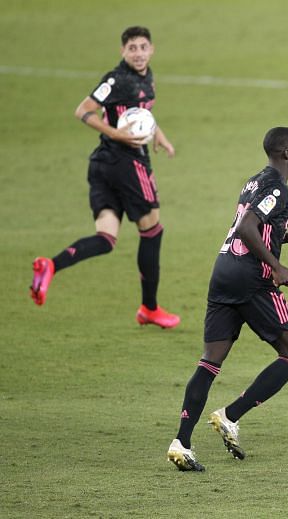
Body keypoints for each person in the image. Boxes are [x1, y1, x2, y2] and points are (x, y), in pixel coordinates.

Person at [167, 127, 288, 471]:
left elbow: (251, 227)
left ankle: (182, 442)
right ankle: (230, 415)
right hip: (252, 280)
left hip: (223, 272)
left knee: (209, 362)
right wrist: (276, 265)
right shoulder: (278, 188)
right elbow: (248, 227)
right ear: (285, 154)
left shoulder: (255, 181)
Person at [29, 26, 180, 328]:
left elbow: (142, 113)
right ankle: (149, 308)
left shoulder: (146, 76)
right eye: (132, 48)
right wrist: (115, 134)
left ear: (151, 50)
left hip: (102, 164)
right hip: (127, 164)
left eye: (143, 47)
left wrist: (158, 135)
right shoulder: (117, 79)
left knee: (106, 238)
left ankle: (51, 266)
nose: (138, 53)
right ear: (123, 51)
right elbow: (83, 111)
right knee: (152, 229)